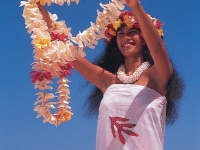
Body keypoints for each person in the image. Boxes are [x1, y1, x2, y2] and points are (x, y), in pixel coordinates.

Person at [37, 0, 184, 149]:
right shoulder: (107, 81)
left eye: (133, 32)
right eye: (120, 34)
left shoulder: (157, 77)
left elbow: (157, 48)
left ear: (144, 39)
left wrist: (135, 5)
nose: (125, 37)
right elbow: (67, 51)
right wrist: (43, 15)